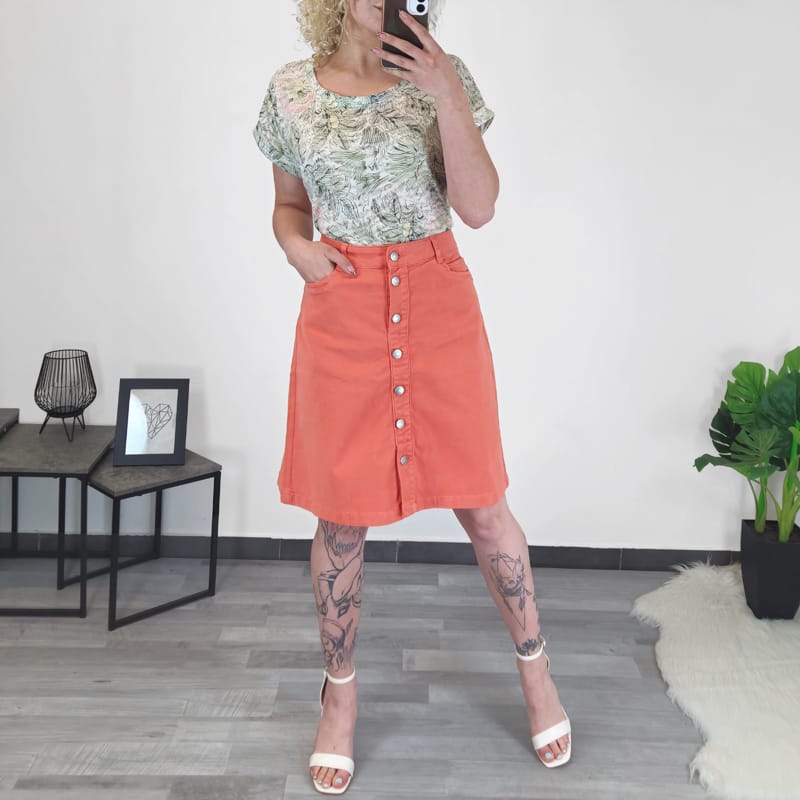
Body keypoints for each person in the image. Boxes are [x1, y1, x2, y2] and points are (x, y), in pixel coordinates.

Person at [252, 0, 572, 793]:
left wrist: (446, 95)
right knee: (341, 517)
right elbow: (290, 206)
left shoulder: (444, 77)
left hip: (436, 303)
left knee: (485, 505)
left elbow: (479, 208)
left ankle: (536, 670)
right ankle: (339, 697)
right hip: (343, 310)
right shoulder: (291, 91)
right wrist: (296, 248)